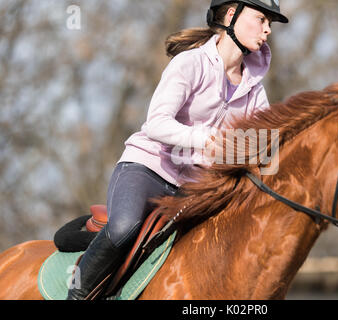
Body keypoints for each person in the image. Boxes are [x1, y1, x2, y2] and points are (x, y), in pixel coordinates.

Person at [67, 0, 288, 300]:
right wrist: (207, 138)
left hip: (194, 186)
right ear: (232, 15)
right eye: (261, 18)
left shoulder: (255, 89)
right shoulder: (190, 63)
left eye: (270, 23)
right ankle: (77, 294)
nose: (267, 30)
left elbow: (262, 147)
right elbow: (156, 124)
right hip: (148, 169)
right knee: (123, 228)